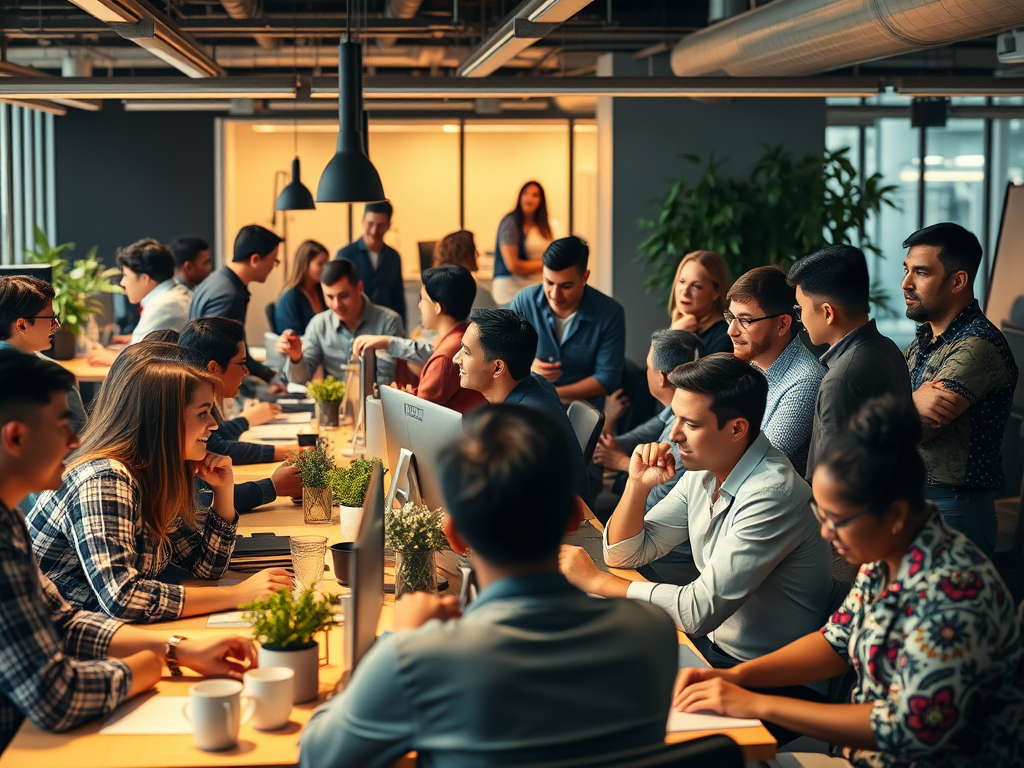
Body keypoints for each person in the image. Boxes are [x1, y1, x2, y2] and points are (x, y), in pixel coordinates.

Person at [299, 405, 677, 768]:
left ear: (456, 537)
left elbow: (318, 758)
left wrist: (399, 640)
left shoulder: (417, 660)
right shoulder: (652, 631)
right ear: (575, 518)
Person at [672, 397, 1024, 767]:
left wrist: (756, 702)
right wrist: (738, 677)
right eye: (820, 514)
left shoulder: (956, 594)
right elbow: (835, 643)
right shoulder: (887, 555)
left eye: (837, 520)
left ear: (896, 514)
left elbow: (907, 730)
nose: (826, 532)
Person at [559, 354, 833, 742]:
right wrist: (637, 486)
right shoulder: (707, 467)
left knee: (616, 716)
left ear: (737, 428)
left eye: (690, 423)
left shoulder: (772, 494)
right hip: (715, 654)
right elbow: (624, 554)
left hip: (772, 679)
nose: (673, 434)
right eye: (675, 418)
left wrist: (597, 582)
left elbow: (696, 611)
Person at [0, 351, 257, 753]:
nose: (73, 443)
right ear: (16, 437)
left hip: (81, 670)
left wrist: (176, 649)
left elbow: (63, 621)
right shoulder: (104, 477)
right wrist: (153, 664)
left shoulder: (8, 522)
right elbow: (56, 695)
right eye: (60, 427)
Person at [27, 358, 292, 623]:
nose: (213, 424)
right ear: (164, 421)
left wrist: (224, 491)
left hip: (99, 633)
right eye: (203, 413)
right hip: (51, 645)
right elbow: (122, 598)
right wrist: (236, 596)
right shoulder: (104, 480)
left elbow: (206, 566)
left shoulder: (156, 472)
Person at [901, 223, 1018, 556]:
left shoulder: (977, 345)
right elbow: (893, 412)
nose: (905, 284)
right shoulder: (926, 339)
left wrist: (891, 409)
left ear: (958, 280)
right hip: (914, 502)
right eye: (907, 270)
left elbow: (913, 428)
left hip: (953, 510)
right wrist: (905, 404)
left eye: (920, 273)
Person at [109, 337, 301, 514]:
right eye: (202, 414)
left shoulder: (168, 471)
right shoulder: (110, 483)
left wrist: (224, 491)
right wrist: (271, 485)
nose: (247, 371)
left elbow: (204, 552)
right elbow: (218, 446)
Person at [788, 245, 912, 482]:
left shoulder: (842, 378)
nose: (801, 318)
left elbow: (832, 482)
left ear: (827, 312)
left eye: (800, 308)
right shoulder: (887, 348)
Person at [454, 309, 592, 508]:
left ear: (498, 368)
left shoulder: (522, 427)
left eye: (466, 352)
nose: (456, 359)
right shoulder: (534, 381)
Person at [593, 329, 705, 516]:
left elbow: (655, 504)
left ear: (662, 378)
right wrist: (617, 442)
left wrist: (623, 463)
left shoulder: (680, 437)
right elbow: (652, 426)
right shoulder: (675, 405)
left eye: (648, 366)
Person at [726, 265, 824, 476]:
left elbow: (758, 464)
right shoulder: (750, 366)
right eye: (731, 317)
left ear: (782, 325)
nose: (731, 331)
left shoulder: (805, 381)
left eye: (744, 321)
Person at [351, 266, 485, 415]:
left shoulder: (444, 358)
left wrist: (396, 396)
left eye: (423, 299)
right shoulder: (466, 335)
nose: (420, 305)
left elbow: (419, 413)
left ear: (437, 307)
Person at [508, 236, 625, 407]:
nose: (555, 294)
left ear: (585, 277)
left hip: (582, 412)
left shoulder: (610, 313)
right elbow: (504, 355)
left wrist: (550, 392)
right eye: (548, 282)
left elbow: (607, 379)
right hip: (529, 406)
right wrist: (529, 366)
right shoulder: (524, 301)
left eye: (566, 286)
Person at [179, 318, 301, 464]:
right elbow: (217, 447)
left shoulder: (202, 397)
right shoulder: (190, 403)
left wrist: (246, 420)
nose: (246, 371)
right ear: (213, 368)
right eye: (241, 363)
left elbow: (217, 436)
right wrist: (296, 452)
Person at [277, 258, 405, 389]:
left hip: (375, 404)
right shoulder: (319, 324)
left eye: (343, 295)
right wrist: (296, 356)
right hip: (332, 406)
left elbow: (386, 380)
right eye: (330, 297)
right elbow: (300, 379)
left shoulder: (389, 321)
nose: (336, 304)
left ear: (360, 288)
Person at [189, 224, 282, 385]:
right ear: (255, 259)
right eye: (274, 260)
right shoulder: (228, 295)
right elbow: (219, 358)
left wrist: (266, 375)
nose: (274, 266)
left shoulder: (217, 279)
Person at [87, 239, 192, 366]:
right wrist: (132, 338)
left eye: (125, 275)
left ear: (144, 279)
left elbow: (137, 359)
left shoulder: (163, 305)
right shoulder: (177, 292)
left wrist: (107, 356)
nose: (122, 283)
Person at [0, 275, 86, 431]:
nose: (56, 325)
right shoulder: (52, 378)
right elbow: (78, 441)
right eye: (50, 319)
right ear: (22, 325)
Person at [335, 201, 406, 324]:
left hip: (387, 324)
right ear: (363, 220)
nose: (374, 231)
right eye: (370, 224)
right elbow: (337, 293)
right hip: (355, 324)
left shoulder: (394, 257)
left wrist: (402, 326)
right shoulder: (345, 255)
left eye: (380, 225)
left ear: (389, 225)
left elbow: (397, 297)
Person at [492, 181, 558, 305]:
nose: (529, 198)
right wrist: (548, 262)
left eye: (535, 195)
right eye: (526, 193)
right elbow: (513, 266)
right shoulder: (510, 224)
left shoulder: (546, 226)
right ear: (520, 197)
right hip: (511, 291)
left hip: (538, 289)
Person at [669, 250, 733, 354]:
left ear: (716, 292)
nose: (685, 292)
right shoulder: (681, 321)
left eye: (696, 286)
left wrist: (674, 336)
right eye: (682, 281)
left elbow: (659, 369)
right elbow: (651, 368)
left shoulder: (724, 337)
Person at [275, 239, 329, 336]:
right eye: (320, 264)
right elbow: (292, 335)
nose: (325, 268)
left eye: (326, 263)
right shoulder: (290, 296)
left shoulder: (321, 290)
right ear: (305, 264)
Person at [433, 230, 496, 310]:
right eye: (474, 249)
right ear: (465, 255)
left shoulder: (431, 289)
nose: (478, 253)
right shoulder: (478, 293)